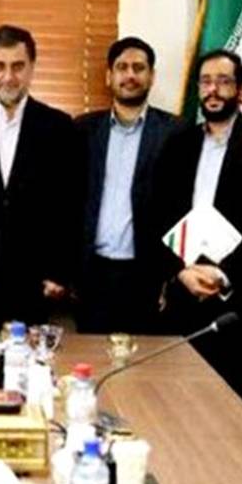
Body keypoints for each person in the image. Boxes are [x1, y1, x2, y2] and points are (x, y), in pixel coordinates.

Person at [151, 49, 242, 411]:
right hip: (182, 294)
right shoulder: (178, 143)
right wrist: (179, 271)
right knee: (175, 404)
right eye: (205, 82)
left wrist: (223, 274)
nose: (213, 90)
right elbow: (158, 215)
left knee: (229, 409)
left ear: (241, 88)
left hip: (235, 302)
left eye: (223, 81)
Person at [0, 24, 82, 327]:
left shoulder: (58, 127)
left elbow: (69, 206)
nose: (8, 77)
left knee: (28, 357)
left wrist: (60, 272)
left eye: (18, 66)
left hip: (33, 283)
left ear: (32, 67)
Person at [75, 37, 177, 334]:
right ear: (109, 76)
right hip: (92, 274)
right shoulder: (82, 129)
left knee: (144, 360)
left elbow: (179, 207)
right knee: (91, 357)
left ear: (151, 76)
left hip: (147, 276)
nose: (130, 75)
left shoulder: (175, 132)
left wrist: (170, 276)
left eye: (139, 68)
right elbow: (69, 201)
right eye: (122, 67)